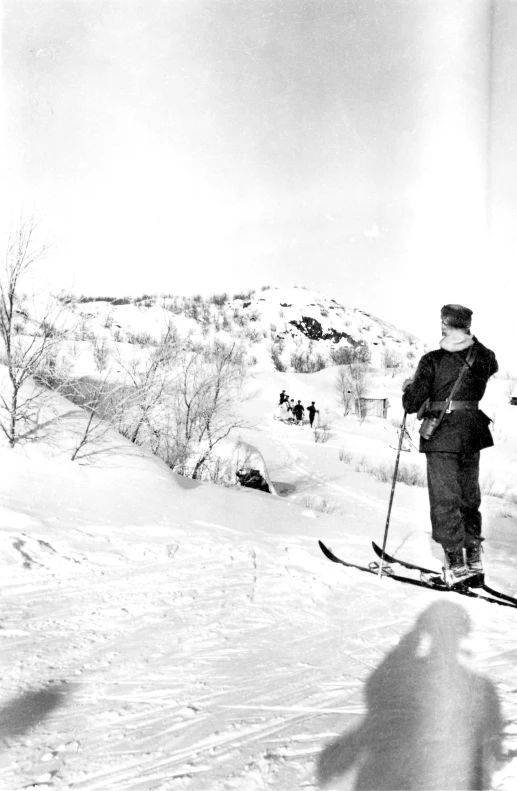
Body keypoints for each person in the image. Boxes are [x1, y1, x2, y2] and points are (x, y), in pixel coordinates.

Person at [402, 304, 498, 588]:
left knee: (445, 502)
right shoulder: (483, 357)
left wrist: (409, 387)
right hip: (472, 434)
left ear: (444, 325)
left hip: (442, 436)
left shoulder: (432, 360)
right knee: (469, 499)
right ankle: (474, 565)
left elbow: (411, 403)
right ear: (467, 326)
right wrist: (470, 339)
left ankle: (456, 568)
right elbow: (488, 363)